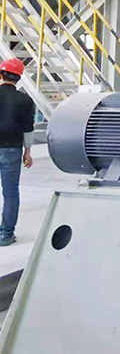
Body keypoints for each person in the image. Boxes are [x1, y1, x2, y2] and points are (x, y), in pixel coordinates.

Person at [0, 59, 34, 246]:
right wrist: (27, 152)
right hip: (12, 150)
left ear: (0, 74)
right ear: (19, 78)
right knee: (10, 193)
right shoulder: (25, 100)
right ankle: (5, 235)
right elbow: (27, 129)